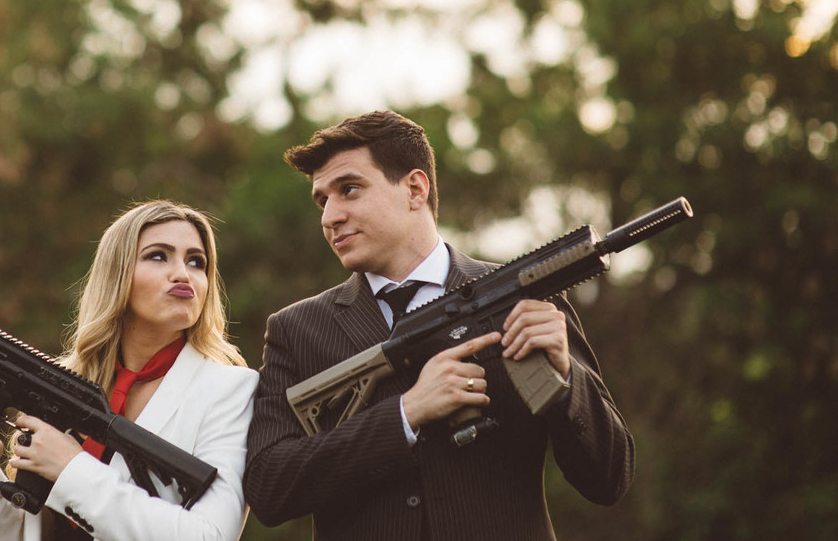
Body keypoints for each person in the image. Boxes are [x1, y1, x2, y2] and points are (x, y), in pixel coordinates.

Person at [243, 110, 634, 540]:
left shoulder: (529, 298)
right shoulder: (296, 330)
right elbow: (268, 487)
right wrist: (405, 415)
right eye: (322, 200)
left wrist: (567, 379)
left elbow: (610, 479)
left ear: (414, 188)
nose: (329, 216)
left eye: (349, 190)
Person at [0, 200, 258, 541]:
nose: (183, 273)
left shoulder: (230, 389)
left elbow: (210, 535)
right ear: (116, 274)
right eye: (159, 256)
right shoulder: (64, 383)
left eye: (196, 262)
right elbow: (42, 534)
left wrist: (72, 468)